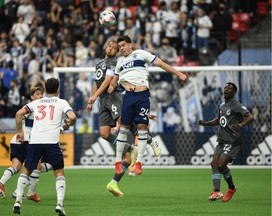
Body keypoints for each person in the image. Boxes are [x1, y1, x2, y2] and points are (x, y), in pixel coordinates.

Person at [86, 40, 159, 197]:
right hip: (103, 101)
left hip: (114, 97)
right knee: (104, 133)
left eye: (115, 47)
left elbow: (107, 82)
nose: (111, 48)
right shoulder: (99, 63)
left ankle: (150, 140)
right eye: (110, 46)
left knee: (126, 125)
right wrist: (93, 98)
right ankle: (132, 149)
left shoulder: (115, 62)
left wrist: (94, 96)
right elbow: (96, 81)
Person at [108, 35, 188, 175]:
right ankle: (117, 161)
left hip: (142, 96)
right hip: (128, 97)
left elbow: (161, 64)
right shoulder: (119, 62)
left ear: (130, 44)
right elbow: (114, 82)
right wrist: (112, 86)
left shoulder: (141, 54)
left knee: (142, 127)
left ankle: (139, 162)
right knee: (124, 128)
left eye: (123, 45)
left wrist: (178, 73)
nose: (121, 48)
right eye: (119, 46)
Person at [12, 78, 76, 215]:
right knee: (59, 172)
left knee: (27, 170)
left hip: (35, 142)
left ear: (45, 90)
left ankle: (18, 201)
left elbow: (18, 114)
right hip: (52, 142)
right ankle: (59, 204)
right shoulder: (62, 102)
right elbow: (73, 117)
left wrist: (19, 132)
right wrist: (69, 124)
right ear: (58, 90)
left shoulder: (37, 102)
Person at [198, 82, 254, 202]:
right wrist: (206, 123)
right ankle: (217, 192)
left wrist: (241, 124)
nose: (226, 90)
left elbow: (250, 117)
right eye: (225, 88)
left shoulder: (236, 104)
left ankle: (231, 188)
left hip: (232, 140)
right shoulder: (222, 105)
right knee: (214, 163)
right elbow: (219, 119)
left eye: (229, 89)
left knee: (221, 164)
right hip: (222, 140)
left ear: (234, 92)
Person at [0, 85, 53, 202]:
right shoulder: (32, 107)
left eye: (41, 94)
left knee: (16, 167)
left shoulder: (36, 108)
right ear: (32, 97)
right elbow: (19, 115)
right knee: (37, 166)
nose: (40, 96)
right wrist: (20, 132)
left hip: (16, 141)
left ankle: (1, 182)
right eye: (37, 94)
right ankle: (30, 192)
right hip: (27, 140)